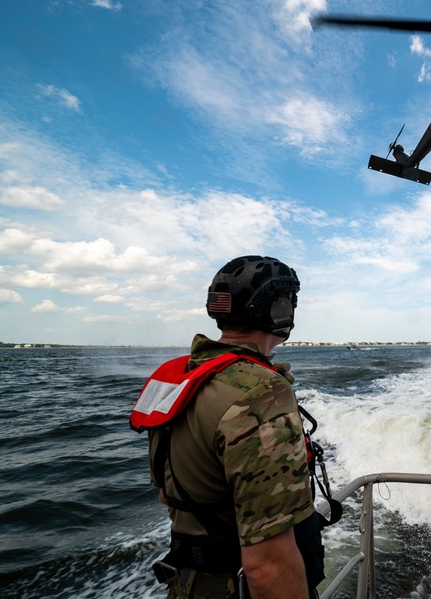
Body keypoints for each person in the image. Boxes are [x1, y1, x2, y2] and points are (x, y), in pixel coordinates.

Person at [131, 255, 331, 599]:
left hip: (184, 583)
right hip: (236, 587)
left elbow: (167, 493)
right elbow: (266, 565)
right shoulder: (261, 391)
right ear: (279, 308)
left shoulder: (181, 378)